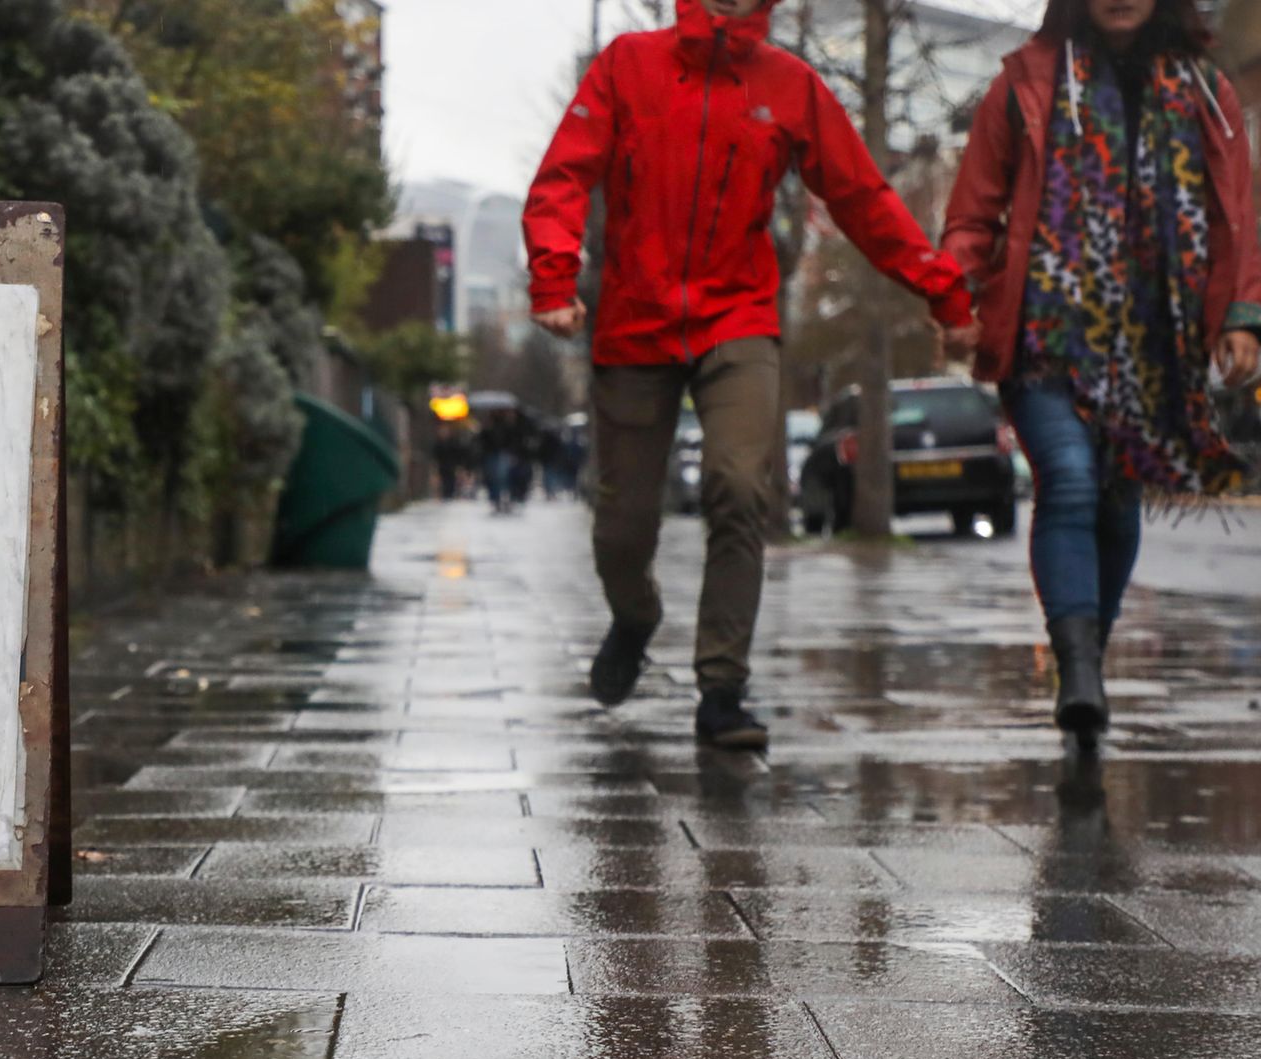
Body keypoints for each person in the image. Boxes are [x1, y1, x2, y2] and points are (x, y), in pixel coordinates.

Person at [525, 0, 978, 749]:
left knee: (738, 484)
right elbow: (562, 177)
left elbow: (864, 199)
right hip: (634, 322)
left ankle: (722, 688)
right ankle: (635, 618)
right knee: (623, 526)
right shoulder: (627, 66)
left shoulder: (790, 84)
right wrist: (552, 278)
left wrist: (942, 289)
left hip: (737, 315)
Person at [943, 0, 1259, 750]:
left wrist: (1244, 317)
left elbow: (1237, 217)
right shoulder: (1023, 83)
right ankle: (1079, 671)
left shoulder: (1208, 91)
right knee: (1072, 482)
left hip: (1152, 349)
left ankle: (1084, 660)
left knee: (1117, 509)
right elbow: (973, 213)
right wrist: (954, 297)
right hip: (1042, 335)